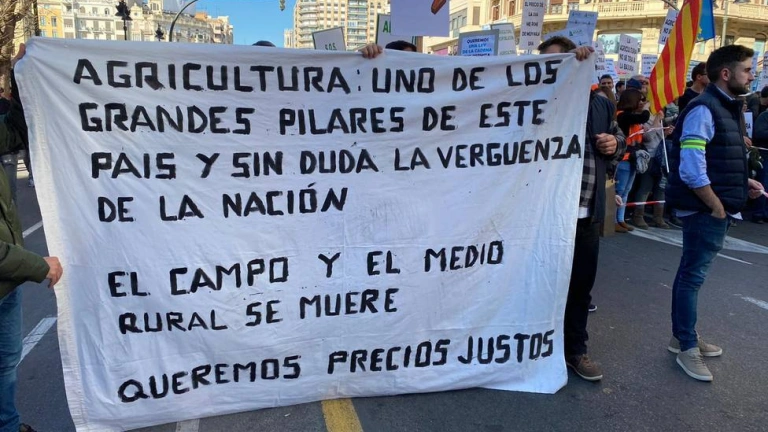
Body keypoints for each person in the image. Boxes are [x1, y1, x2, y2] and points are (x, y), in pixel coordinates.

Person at [665, 45, 764, 382]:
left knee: (689, 274)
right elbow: (692, 168)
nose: (752, 75)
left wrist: (743, 182)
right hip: (703, 209)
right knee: (692, 277)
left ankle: (683, 336)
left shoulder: (724, 106)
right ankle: (686, 347)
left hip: (710, 206)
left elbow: (717, 157)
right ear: (725, 73)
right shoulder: (704, 108)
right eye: (747, 69)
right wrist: (716, 205)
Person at [538, 36, 626, 381]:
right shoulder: (529, 98)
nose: (554, 69)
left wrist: (614, 143)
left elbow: (619, 139)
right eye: (547, 63)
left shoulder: (600, 105)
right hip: (539, 217)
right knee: (536, 284)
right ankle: (529, 347)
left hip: (584, 215)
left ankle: (575, 350)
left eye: (561, 61)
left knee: (579, 288)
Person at [0, 44, 64, 432]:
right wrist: (36, 265)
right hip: (11, 269)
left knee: (6, 362)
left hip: (6, 284)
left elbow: (16, 133)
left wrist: (23, 77)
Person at [614, 88, 650, 232]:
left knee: (626, 191)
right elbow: (643, 118)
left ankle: (620, 219)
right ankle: (613, 220)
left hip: (633, 159)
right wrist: (646, 109)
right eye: (640, 100)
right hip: (623, 159)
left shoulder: (630, 116)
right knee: (619, 190)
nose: (642, 102)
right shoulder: (623, 116)